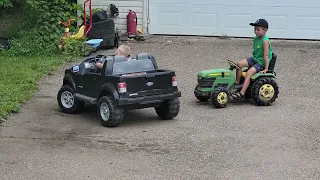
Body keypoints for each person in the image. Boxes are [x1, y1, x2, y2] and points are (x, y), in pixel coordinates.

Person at [231, 19, 273, 100]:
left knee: (249, 73)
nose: (256, 31)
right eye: (255, 29)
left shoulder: (265, 41)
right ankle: (237, 84)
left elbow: (266, 55)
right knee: (238, 64)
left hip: (261, 62)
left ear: (265, 30)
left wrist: (266, 68)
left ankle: (242, 93)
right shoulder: (256, 38)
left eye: (258, 29)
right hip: (255, 59)